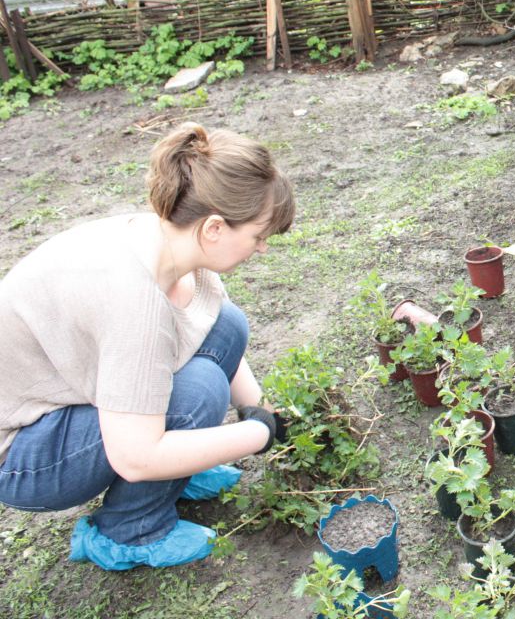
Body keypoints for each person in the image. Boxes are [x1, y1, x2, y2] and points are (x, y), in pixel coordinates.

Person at [0, 122, 295, 571]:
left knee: (225, 326)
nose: (263, 249)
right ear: (214, 228)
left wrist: (263, 409)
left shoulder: (167, 239)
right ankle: (130, 530)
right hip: (21, 454)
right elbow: (135, 457)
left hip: (61, 399)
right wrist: (256, 436)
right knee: (197, 393)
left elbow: (216, 323)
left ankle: (182, 471)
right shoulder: (134, 303)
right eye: (258, 236)